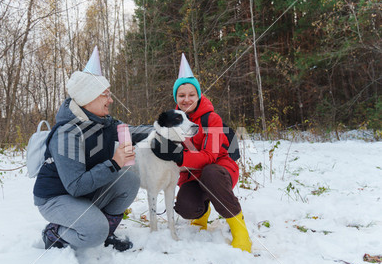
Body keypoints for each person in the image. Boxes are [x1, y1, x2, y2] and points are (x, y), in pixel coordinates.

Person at [33, 46, 149, 252]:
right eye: (105, 95)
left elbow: (134, 131)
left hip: (83, 193)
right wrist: (114, 162)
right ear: (88, 98)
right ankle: (54, 233)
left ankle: (106, 232)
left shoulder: (104, 123)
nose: (111, 100)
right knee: (94, 231)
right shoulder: (66, 134)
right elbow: (76, 186)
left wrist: (165, 130)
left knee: (128, 179)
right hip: (56, 197)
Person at [151, 54, 252, 252]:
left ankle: (240, 231)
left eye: (191, 94)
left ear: (198, 95)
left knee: (210, 173)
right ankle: (201, 213)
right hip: (192, 177)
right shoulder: (172, 121)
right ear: (176, 98)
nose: (186, 99)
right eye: (181, 96)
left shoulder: (211, 119)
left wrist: (179, 157)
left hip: (219, 171)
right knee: (185, 207)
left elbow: (210, 156)